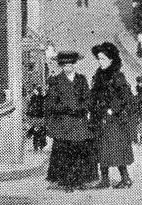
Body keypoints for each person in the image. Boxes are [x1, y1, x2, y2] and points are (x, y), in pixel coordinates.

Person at [45, 51, 96, 191]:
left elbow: (88, 99)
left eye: (70, 64)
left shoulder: (81, 79)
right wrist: (66, 108)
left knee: (80, 151)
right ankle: (66, 181)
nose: (68, 67)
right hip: (63, 123)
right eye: (65, 65)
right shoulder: (56, 81)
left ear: (74, 64)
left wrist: (81, 108)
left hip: (79, 122)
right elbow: (51, 103)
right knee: (64, 153)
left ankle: (79, 180)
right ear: (61, 66)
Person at [90, 42, 135, 189]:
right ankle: (105, 180)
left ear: (111, 60)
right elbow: (94, 95)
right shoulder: (99, 75)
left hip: (114, 120)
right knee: (101, 149)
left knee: (116, 149)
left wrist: (112, 109)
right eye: (98, 59)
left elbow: (126, 98)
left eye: (103, 59)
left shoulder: (117, 76)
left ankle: (125, 178)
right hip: (100, 118)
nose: (100, 62)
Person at [26, 85, 48, 152]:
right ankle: (40, 144)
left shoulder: (35, 97)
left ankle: (37, 143)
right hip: (39, 116)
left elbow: (30, 105)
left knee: (38, 129)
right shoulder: (39, 97)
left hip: (38, 116)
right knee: (41, 130)